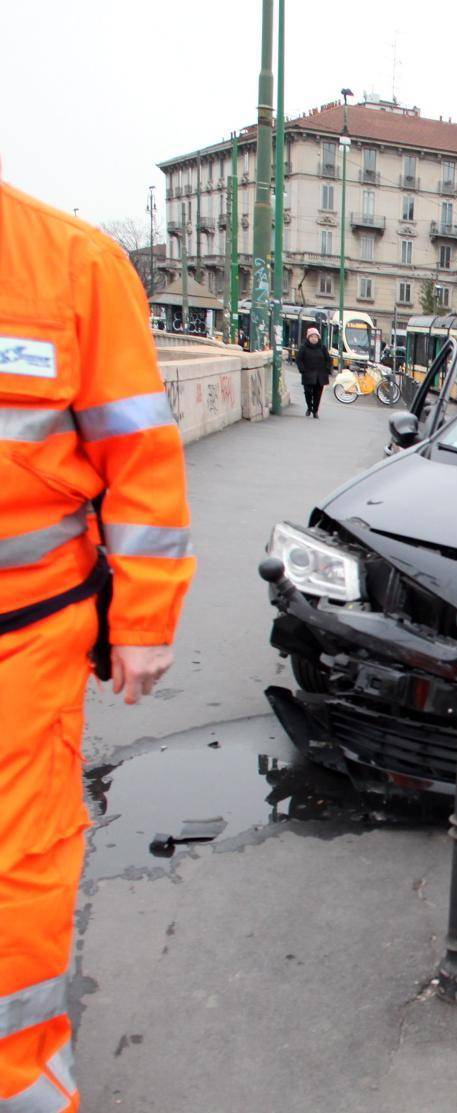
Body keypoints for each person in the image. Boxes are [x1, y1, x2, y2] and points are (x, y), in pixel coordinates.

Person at [0, 181, 194, 1111]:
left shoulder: (71, 263)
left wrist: (144, 620)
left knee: (20, 859)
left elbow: (141, 456)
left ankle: (19, 1076)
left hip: (24, 636)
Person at [295, 327, 331, 418]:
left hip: (320, 375)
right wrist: (302, 369)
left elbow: (329, 359)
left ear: (318, 338)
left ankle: (315, 411)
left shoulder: (323, 347)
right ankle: (309, 407)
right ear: (308, 338)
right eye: (312, 337)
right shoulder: (303, 347)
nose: (314, 338)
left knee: (317, 394)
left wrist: (327, 369)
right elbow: (299, 359)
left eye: (315, 337)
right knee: (308, 392)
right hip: (308, 374)